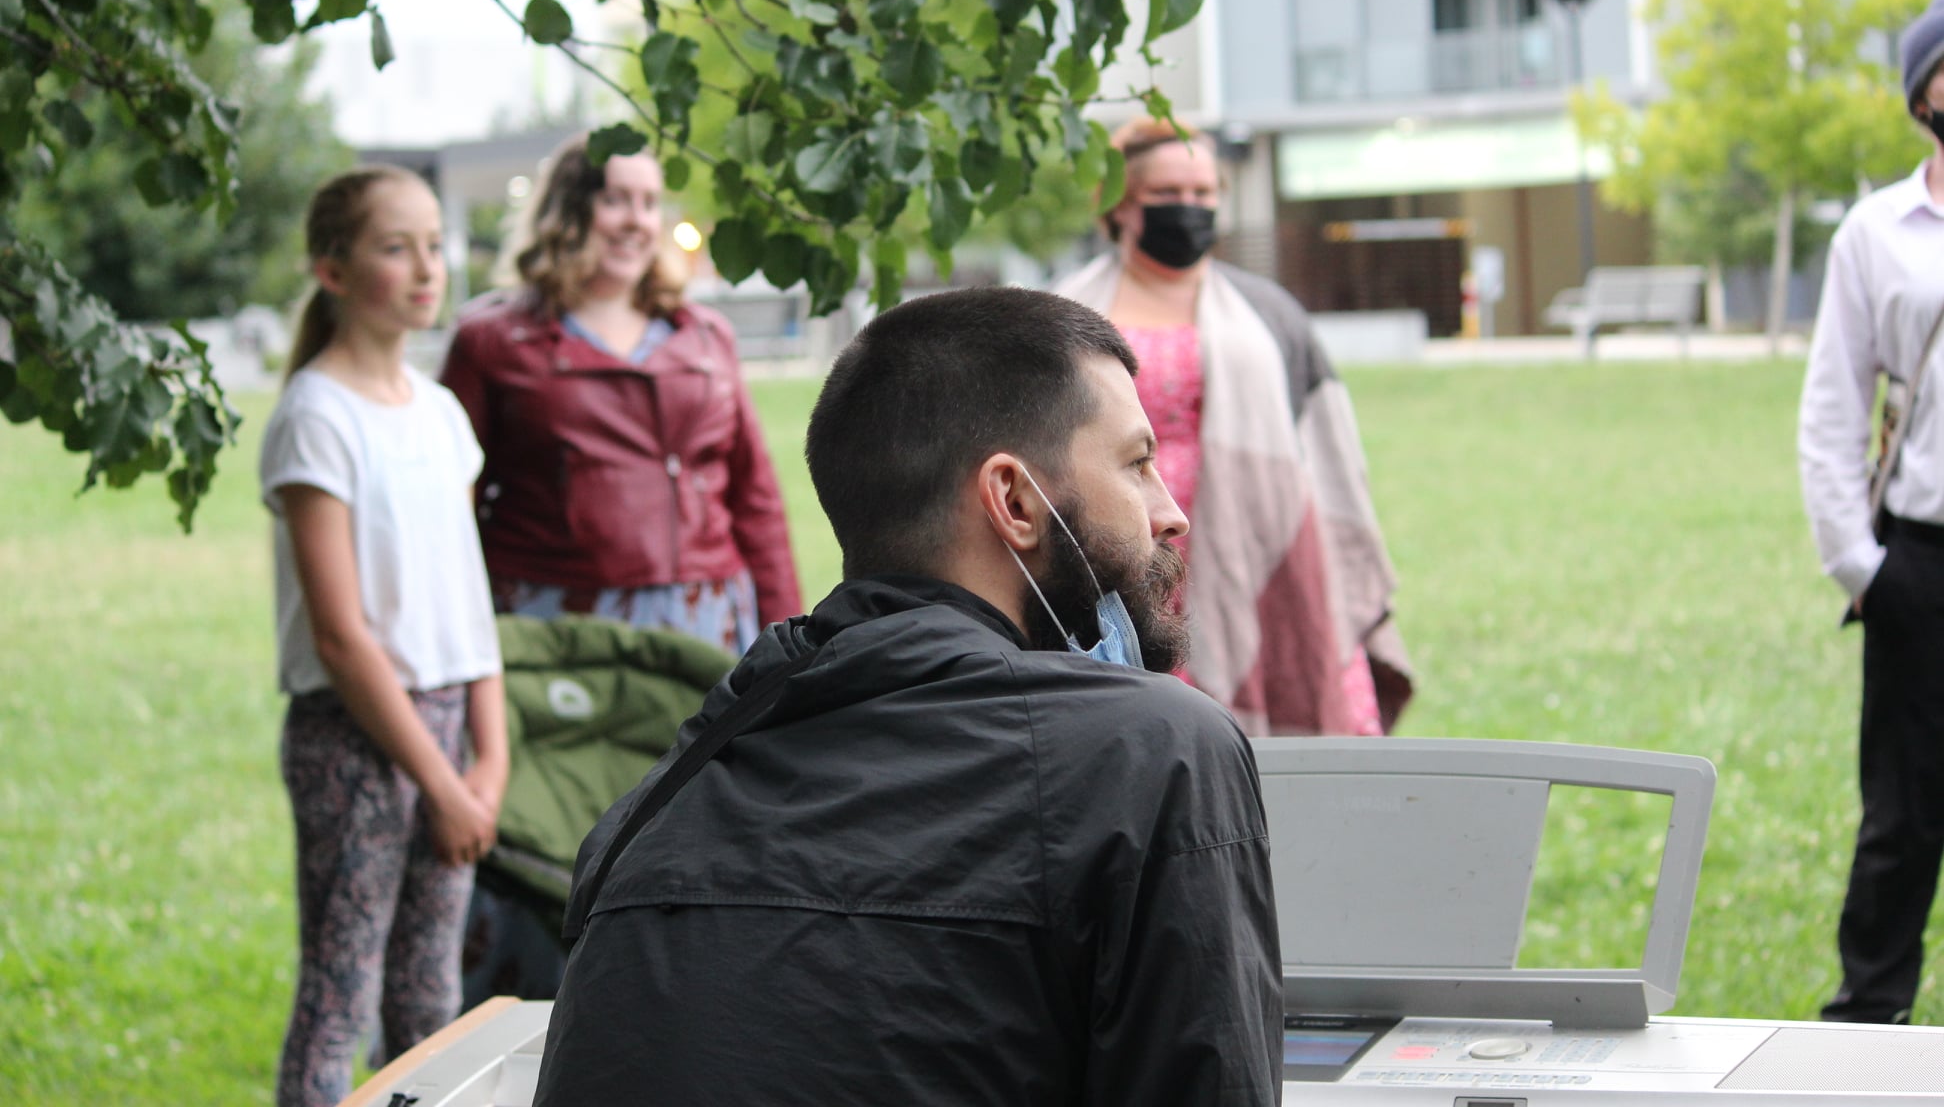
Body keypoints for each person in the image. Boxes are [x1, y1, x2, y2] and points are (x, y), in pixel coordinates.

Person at [533, 287, 1283, 1106]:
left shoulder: (665, 794)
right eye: (1137, 463)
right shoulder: (1155, 753)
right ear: (1017, 501)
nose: (1169, 515)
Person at [259, 167, 508, 1107]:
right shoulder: (316, 417)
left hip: (449, 733)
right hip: (355, 738)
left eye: (435, 245)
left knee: (431, 997)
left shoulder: (443, 417)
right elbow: (339, 633)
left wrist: (490, 757)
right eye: (395, 247)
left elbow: (465, 598)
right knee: (341, 991)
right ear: (331, 270)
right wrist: (440, 782)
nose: (425, 267)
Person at [1055, 118, 1413, 736]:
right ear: (1120, 204)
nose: (1189, 209)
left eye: (1204, 194)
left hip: (1260, 556)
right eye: (1167, 196)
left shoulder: (1269, 313)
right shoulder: (1064, 312)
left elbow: (1329, 451)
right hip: (1119, 554)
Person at [439, 135, 801, 654]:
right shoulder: (492, 340)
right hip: (552, 620)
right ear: (566, 208)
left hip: (705, 617)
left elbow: (755, 498)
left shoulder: (705, 336)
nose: (637, 220)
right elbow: (449, 506)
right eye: (615, 199)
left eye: (649, 203)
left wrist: (785, 641)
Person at [1799, 0, 1944, 1026]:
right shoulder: (1877, 232)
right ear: (1923, 91)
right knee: (1902, 812)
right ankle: (1869, 1017)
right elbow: (1832, 407)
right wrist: (1862, 564)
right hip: (1922, 561)